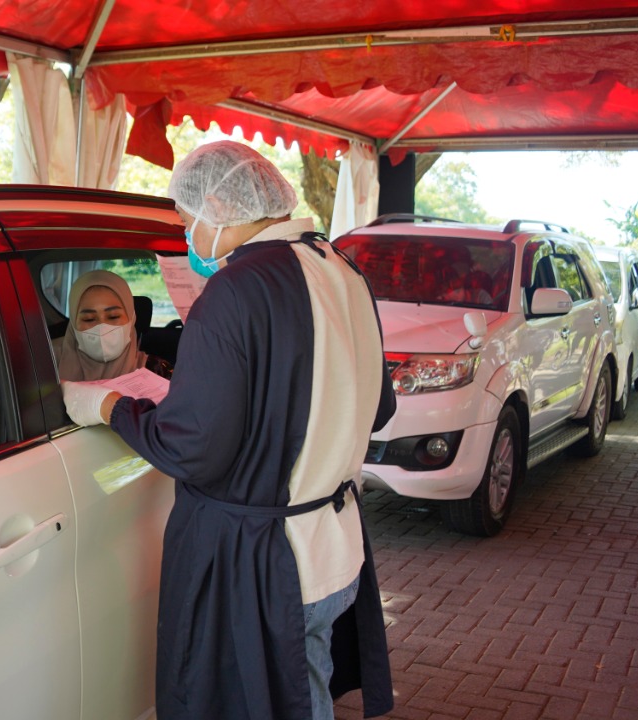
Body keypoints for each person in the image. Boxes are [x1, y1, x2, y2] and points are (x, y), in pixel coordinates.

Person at [62, 141, 397, 720]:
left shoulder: (238, 290)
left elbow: (193, 450)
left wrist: (113, 407)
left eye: (188, 219)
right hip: (332, 539)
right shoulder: (341, 268)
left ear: (219, 202)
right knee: (307, 687)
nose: (187, 234)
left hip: (267, 560)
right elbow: (380, 406)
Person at [52, 269, 172, 381]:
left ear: (132, 318)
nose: (101, 327)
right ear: (73, 324)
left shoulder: (157, 371)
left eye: (113, 317)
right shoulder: (45, 367)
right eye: (89, 319)